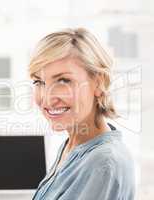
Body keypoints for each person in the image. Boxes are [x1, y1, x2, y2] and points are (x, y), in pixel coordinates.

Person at [29, 28, 135, 200]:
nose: (47, 99)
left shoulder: (103, 164)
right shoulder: (72, 146)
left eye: (63, 80)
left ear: (99, 83)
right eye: (39, 82)